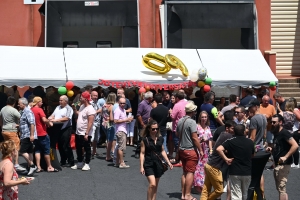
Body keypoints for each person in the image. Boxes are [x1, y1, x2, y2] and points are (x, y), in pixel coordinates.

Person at [216, 124, 255, 200]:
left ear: (234, 132)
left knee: (236, 196)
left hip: (234, 171)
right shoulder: (250, 142)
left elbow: (218, 149)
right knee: (245, 195)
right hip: (247, 171)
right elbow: (253, 155)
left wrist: (226, 159)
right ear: (244, 132)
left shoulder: (230, 141)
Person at [200, 120, 236, 200]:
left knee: (206, 189)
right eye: (232, 128)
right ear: (227, 128)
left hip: (209, 164)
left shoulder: (223, 134)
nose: (234, 130)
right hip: (214, 167)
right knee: (219, 190)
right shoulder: (228, 136)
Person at [266, 114, 298, 200]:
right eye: (271, 122)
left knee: (282, 189)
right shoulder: (277, 133)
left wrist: (285, 157)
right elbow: (279, 145)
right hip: (277, 164)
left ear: (280, 122)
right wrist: (271, 148)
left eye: (274, 122)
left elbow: (295, 145)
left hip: (284, 164)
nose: (272, 124)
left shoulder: (284, 133)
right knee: (280, 189)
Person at [140, 120, 173, 200]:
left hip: (158, 163)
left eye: (157, 129)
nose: (155, 131)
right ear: (149, 129)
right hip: (148, 164)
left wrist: (168, 162)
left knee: (156, 186)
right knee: (152, 184)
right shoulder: (145, 140)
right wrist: (141, 166)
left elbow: (162, 151)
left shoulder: (160, 139)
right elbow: (142, 153)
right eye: (153, 129)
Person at [176, 101, 201, 200]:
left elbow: (177, 134)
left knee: (185, 172)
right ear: (193, 111)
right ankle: (187, 195)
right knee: (190, 172)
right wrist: (200, 150)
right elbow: (195, 137)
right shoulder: (192, 122)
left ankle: (183, 194)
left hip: (181, 149)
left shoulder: (180, 120)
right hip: (190, 149)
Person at [31, 97, 58, 173]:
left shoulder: (31, 110)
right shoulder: (39, 110)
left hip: (35, 133)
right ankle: (49, 166)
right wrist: (49, 123)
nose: (42, 103)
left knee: (37, 150)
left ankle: (38, 167)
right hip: (42, 132)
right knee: (46, 150)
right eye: (41, 102)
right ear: (38, 102)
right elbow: (44, 119)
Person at [71, 92, 95, 171]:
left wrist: (87, 133)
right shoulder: (82, 106)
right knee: (78, 147)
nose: (80, 99)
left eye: (81, 97)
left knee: (87, 148)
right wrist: (74, 109)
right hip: (79, 131)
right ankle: (80, 162)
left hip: (85, 132)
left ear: (85, 99)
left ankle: (87, 163)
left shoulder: (90, 109)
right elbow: (79, 114)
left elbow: (90, 122)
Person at [0, 96, 25, 171]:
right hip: (12, 131)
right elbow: (22, 118)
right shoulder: (13, 110)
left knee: (8, 147)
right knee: (15, 148)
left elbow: (0, 120)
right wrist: (18, 125)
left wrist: (2, 127)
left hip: (4, 130)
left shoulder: (3, 109)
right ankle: (16, 164)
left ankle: (6, 162)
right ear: (14, 103)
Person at [48, 95, 74, 167]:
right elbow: (53, 115)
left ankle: (71, 161)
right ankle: (63, 160)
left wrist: (56, 120)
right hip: (57, 128)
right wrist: (49, 118)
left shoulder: (69, 108)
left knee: (65, 145)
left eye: (61, 100)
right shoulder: (58, 107)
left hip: (66, 128)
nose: (60, 102)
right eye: (59, 100)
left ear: (66, 101)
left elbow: (67, 118)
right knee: (59, 145)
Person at [18, 98, 38, 176]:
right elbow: (25, 123)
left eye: (19, 103)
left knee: (22, 151)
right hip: (25, 134)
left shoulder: (27, 111)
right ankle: (30, 168)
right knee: (29, 152)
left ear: (23, 104)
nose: (18, 105)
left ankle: (32, 165)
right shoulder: (23, 112)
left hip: (27, 135)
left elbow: (32, 123)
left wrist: (32, 135)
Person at [193, 111, 212, 193]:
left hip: (206, 150)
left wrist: (211, 149)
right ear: (200, 118)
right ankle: (197, 186)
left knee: (204, 168)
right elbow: (194, 139)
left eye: (205, 117)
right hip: (198, 149)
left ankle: (203, 185)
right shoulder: (197, 127)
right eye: (202, 117)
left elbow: (210, 139)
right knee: (198, 168)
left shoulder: (208, 128)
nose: (204, 118)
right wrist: (200, 140)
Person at [114, 97, 133, 168]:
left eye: (123, 103)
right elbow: (115, 121)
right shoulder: (118, 110)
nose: (122, 104)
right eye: (121, 103)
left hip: (123, 129)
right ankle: (121, 163)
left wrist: (128, 120)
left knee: (120, 146)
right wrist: (126, 120)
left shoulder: (123, 110)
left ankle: (117, 162)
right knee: (121, 147)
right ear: (118, 103)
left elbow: (123, 120)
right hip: (120, 130)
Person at [169, 91, 187, 164]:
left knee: (177, 144)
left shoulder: (177, 105)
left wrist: (170, 112)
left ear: (177, 98)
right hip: (186, 126)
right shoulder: (187, 103)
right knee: (184, 144)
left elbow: (173, 117)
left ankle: (180, 160)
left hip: (177, 127)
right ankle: (183, 159)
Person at [135, 91, 153, 159]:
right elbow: (138, 114)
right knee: (141, 138)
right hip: (143, 124)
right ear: (149, 98)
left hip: (148, 123)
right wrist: (142, 123)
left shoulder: (150, 104)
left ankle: (145, 152)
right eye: (151, 97)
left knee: (148, 138)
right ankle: (137, 151)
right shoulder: (142, 104)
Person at [101, 92, 116, 161]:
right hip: (109, 124)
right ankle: (108, 156)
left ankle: (108, 154)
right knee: (110, 140)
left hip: (103, 123)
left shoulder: (104, 105)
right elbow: (112, 118)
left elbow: (101, 114)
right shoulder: (111, 106)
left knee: (107, 139)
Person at [91, 91, 102, 158]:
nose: (96, 97)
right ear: (91, 96)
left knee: (96, 138)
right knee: (91, 138)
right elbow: (91, 113)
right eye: (94, 95)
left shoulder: (97, 103)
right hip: (92, 123)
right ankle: (90, 151)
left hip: (98, 122)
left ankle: (94, 151)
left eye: (96, 95)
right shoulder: (90, 103)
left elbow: (100, 110)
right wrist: (99, 111)